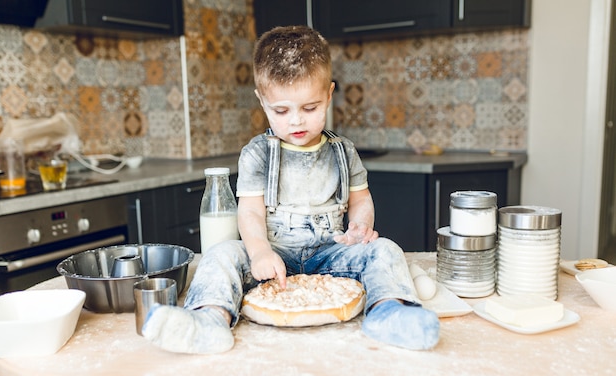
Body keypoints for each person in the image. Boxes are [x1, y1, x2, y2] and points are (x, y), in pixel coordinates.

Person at [142, 25, 440, 354]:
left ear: (329, 94)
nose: (296, 121)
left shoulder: (344, 151)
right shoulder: (257, 154)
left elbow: (361, 200)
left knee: (386, 251)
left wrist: (361, 226)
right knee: (220, 255)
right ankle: (210, 320)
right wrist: (258, 252)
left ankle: (389, 313)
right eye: (281, 111)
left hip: (331, 256)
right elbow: (251, 212)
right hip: (273, 257)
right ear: (262, 100)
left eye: (310, 108)